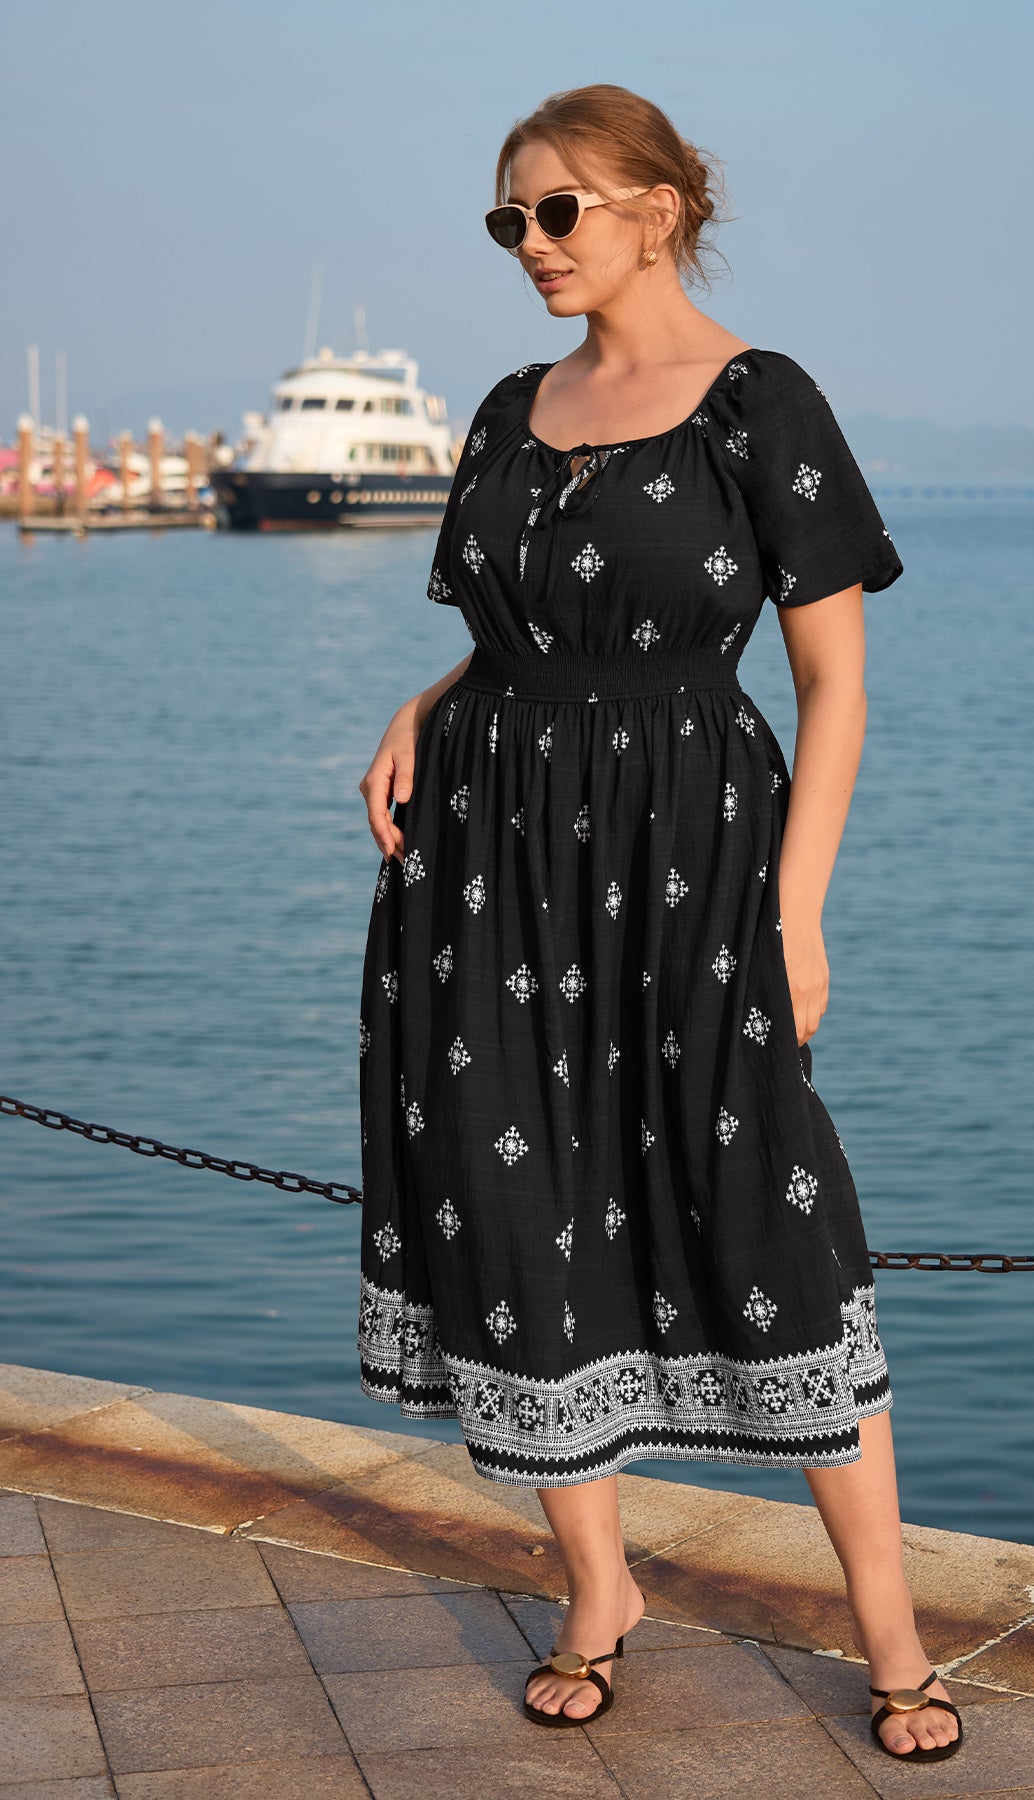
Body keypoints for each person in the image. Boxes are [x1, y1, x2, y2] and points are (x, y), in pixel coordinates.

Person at [357, 83, 962, 1763]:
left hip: (694, 850)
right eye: (509, 219)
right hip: (486, 859)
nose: (530, 245)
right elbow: (525, 621)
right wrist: (428, 698)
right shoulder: (509, 406)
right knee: (514, 1193)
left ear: (659, 207)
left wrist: (800, 915)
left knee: (770, 1205)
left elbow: (834, 685)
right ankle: (598, 1591)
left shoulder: (763, 401)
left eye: (557, 210)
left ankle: (893, 1631)